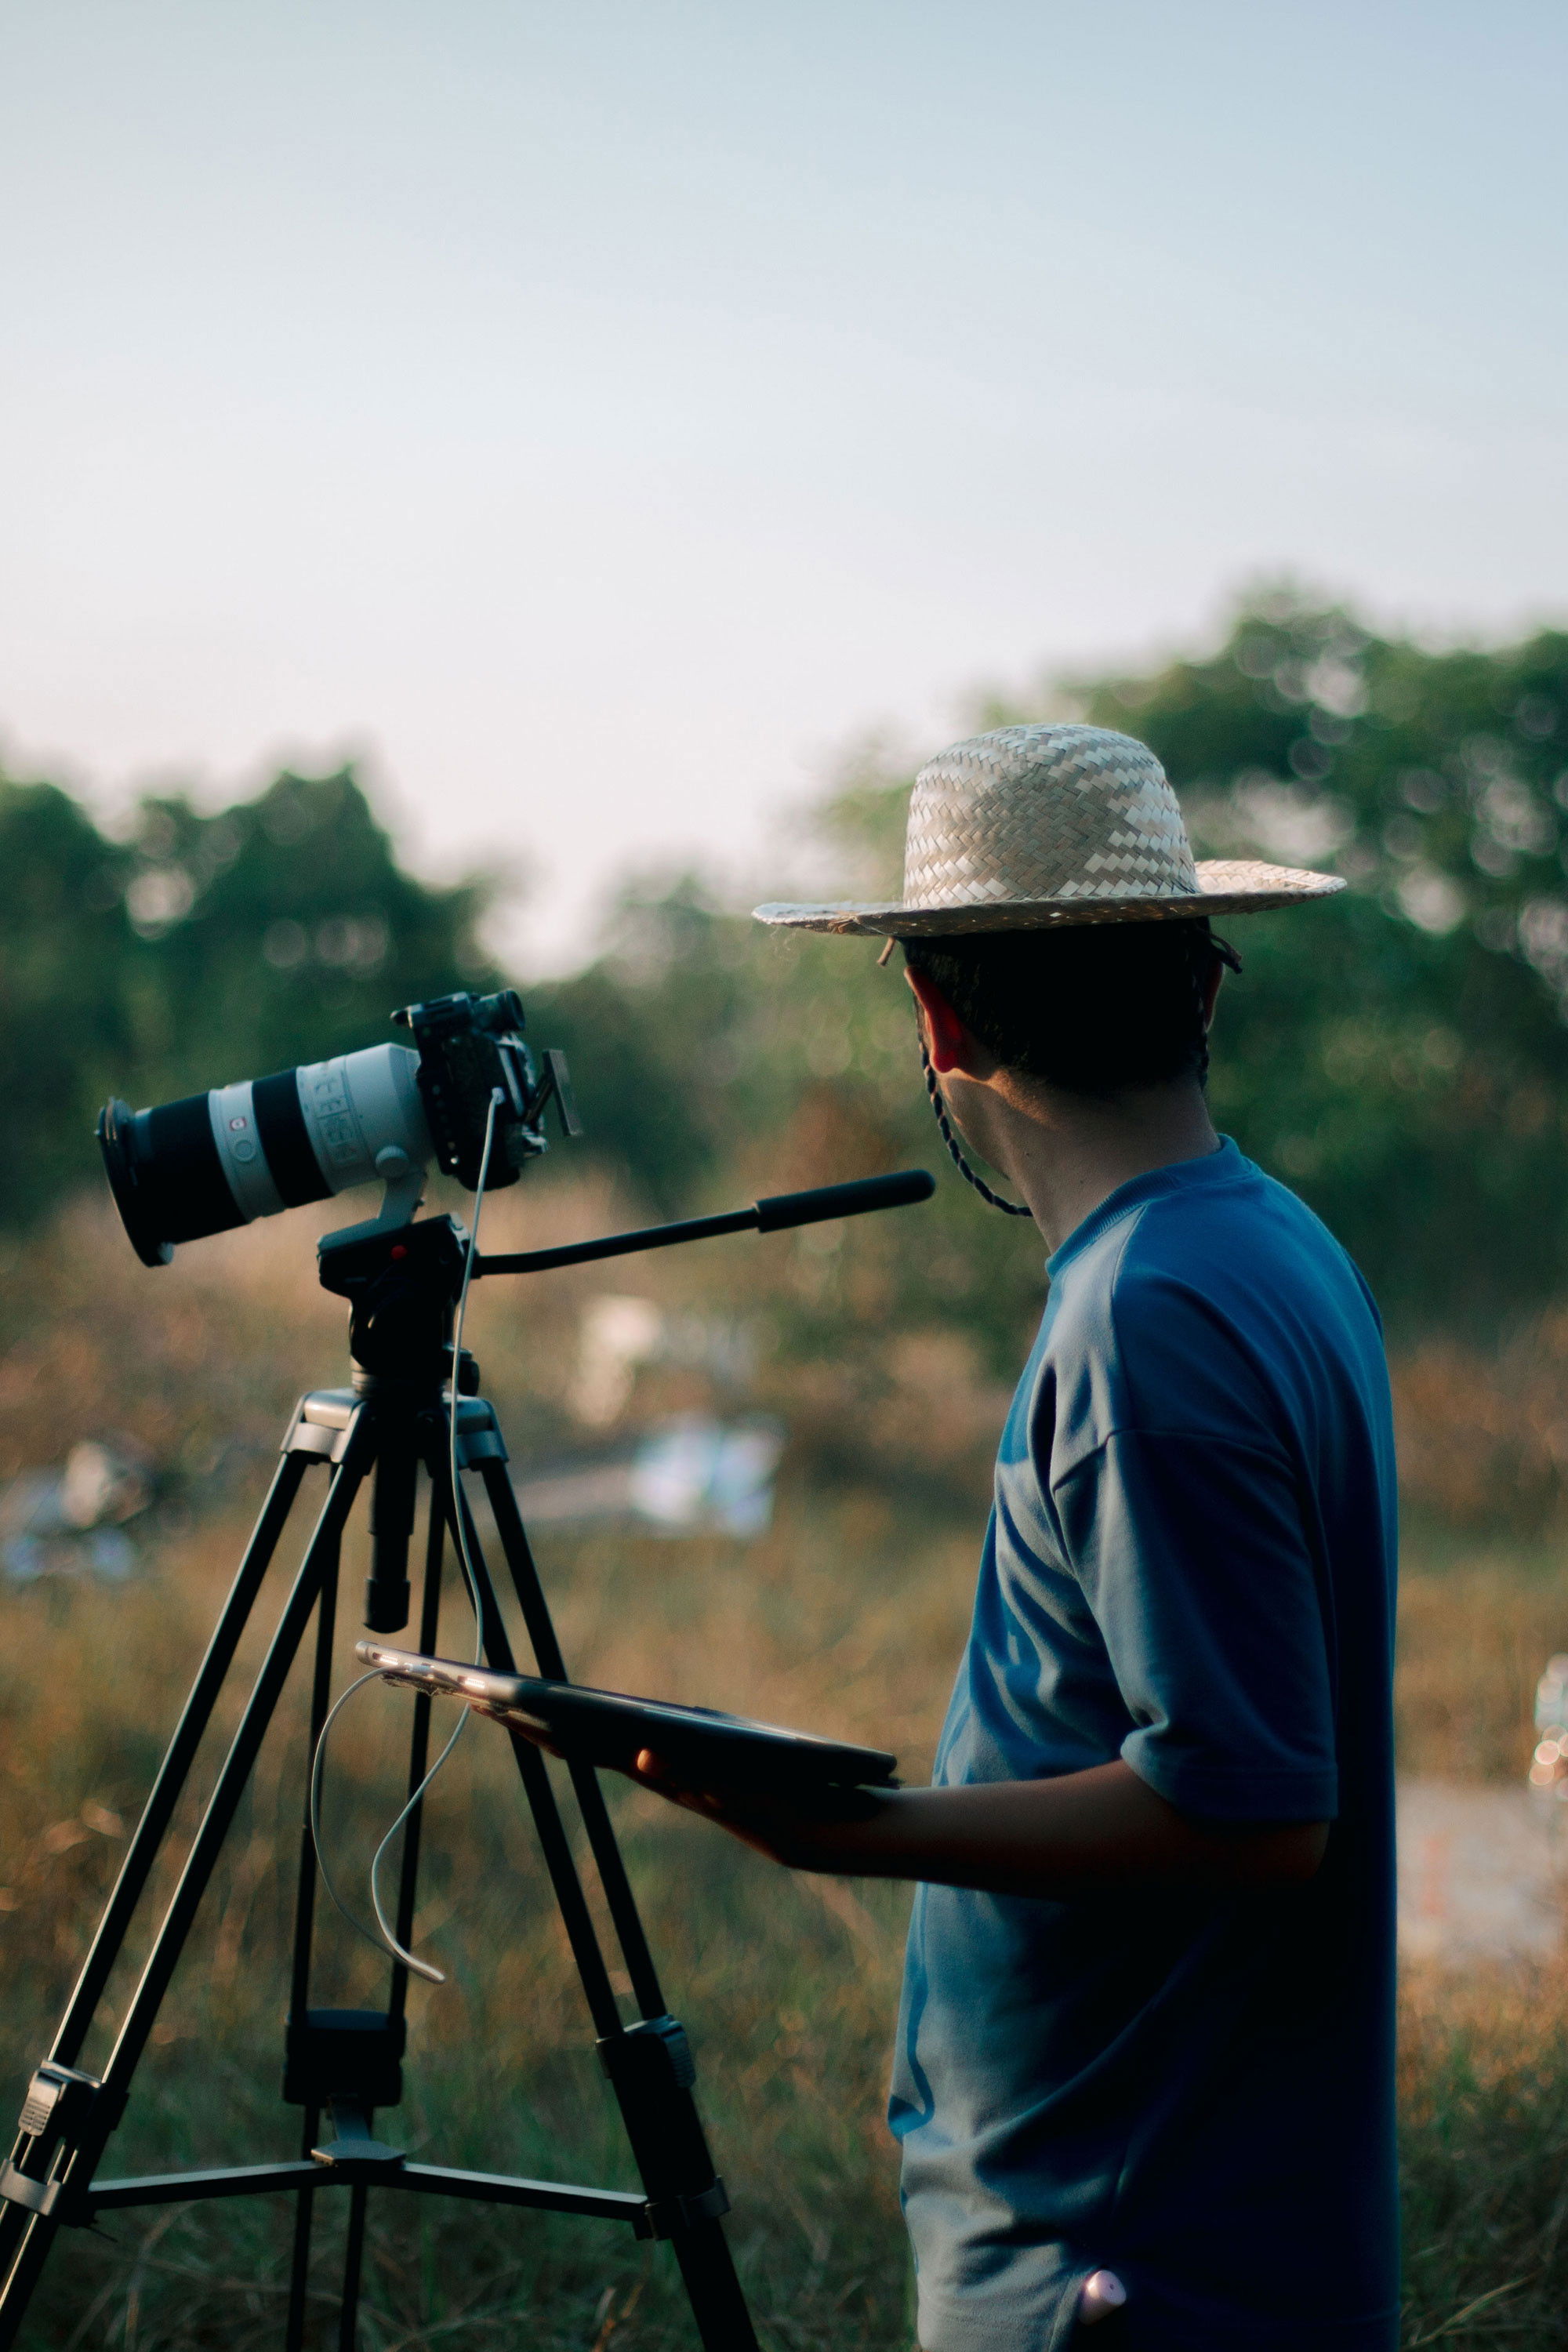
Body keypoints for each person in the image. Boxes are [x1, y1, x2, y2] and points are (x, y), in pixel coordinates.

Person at [645, 725, 1399, 2350]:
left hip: (1127, 2264)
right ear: (1204, 986)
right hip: (1172, 2225)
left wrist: (852, 1834)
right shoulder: (1268, 1247)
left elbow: (1252, 1814)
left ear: (936, 1015)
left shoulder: (1151, 1314)